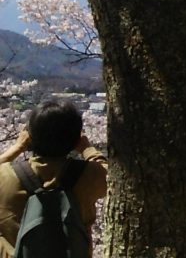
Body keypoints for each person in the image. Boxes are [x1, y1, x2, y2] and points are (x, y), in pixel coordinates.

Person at [0, 100, 108, 257]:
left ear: (29, 137)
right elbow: (110, 175)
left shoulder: (6, 176)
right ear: (76, 139)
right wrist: (87, 149)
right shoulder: (88, 176)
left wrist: (17, 148)